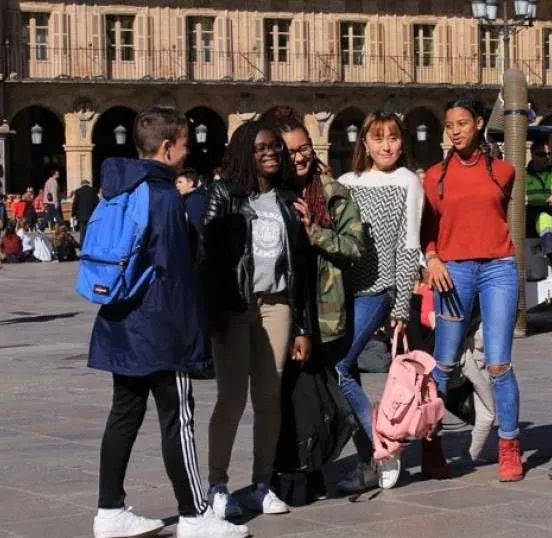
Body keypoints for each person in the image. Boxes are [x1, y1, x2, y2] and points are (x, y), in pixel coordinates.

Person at [87, 107, 249, 538]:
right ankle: (195, 515)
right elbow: (177, 275)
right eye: (184, 142)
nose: (189, 147)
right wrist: (193, 341)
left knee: (123, 413)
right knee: (178, 417)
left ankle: (109, 510)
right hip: (159, 325)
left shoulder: (120, 188)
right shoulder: (162, 199)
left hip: (120, 317)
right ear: (166, 147)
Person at [202, 121, 314, 519]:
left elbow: (300, 266)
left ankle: (261, 483)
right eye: (262, 147)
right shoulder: (223, 194)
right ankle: (217, 484)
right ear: (244, 151)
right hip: (235, 306)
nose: (272, 154)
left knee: (269, 398)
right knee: (231, 399)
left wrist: (302, 325)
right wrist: (213, 312)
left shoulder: (288, 199)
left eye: (276, 149)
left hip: (277, 304)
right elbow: (208, 255)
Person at [263, 108, 366, 500]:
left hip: (326, 314)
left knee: (318, 397)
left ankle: (322, 466)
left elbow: (355, 248)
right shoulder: (271, 196)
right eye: (291, 152)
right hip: (282, 311)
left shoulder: (335, 194)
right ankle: (284, 471)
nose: (300, 157)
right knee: (285, 397)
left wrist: (314, 231)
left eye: (304, 147)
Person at [420, 97, 523, 482]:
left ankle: (509, 446)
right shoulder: (434, 177)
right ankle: (432, 445)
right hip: (453, 272)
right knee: (443, 363)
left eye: (462, 123)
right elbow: (427, 230)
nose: (456, 130)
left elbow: (495, 217)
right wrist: (432, 259)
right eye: (449, 125)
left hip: (499, 268)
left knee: (499, 362)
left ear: (479, 123)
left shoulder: (504, 171)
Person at [336, 111, 423, 492]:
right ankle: (368, 458)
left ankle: (381, 445)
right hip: (341, 290)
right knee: (347, 370)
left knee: (337, 367)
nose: (386, 145)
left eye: (392, 137)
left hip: (378, 289)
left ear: (402, 142)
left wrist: (402, 305)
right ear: (365, 143)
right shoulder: (345, 182)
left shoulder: (407, 182)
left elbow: (409, 246)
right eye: (378, 138)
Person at [524, 142, 552, 273]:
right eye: (542, 154)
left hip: (549, 212)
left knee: (548, 217)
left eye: (548, 154)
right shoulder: (524, 176)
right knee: (544, 218)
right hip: (529, 214)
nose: (546, 157)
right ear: (533, 155)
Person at [71, 179, 98, 247]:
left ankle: (82, 246)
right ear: (88, 184)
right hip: (91, 215)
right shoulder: (93, 191)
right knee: (91, 231)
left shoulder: (78, 191)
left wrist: (73, 214)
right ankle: (91, 245)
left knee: (82, 232)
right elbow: (97, 203)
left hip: (81, 215)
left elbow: (75, 203)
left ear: (82, 184)